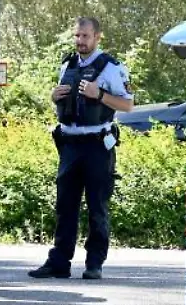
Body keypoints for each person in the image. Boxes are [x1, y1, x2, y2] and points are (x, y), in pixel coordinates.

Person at [28, 17, 133, 281]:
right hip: (70, 144)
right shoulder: (68, 64)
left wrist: (99, 95)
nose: (80, 41)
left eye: (85, 36)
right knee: (65, 205)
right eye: (77, 36)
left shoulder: (111, 68)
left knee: (97, 205)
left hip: (97, 144)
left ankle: (94, 263)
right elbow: (62, 102)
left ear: (97, 37)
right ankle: (59, 262)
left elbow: (127, 105)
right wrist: (54, 97)